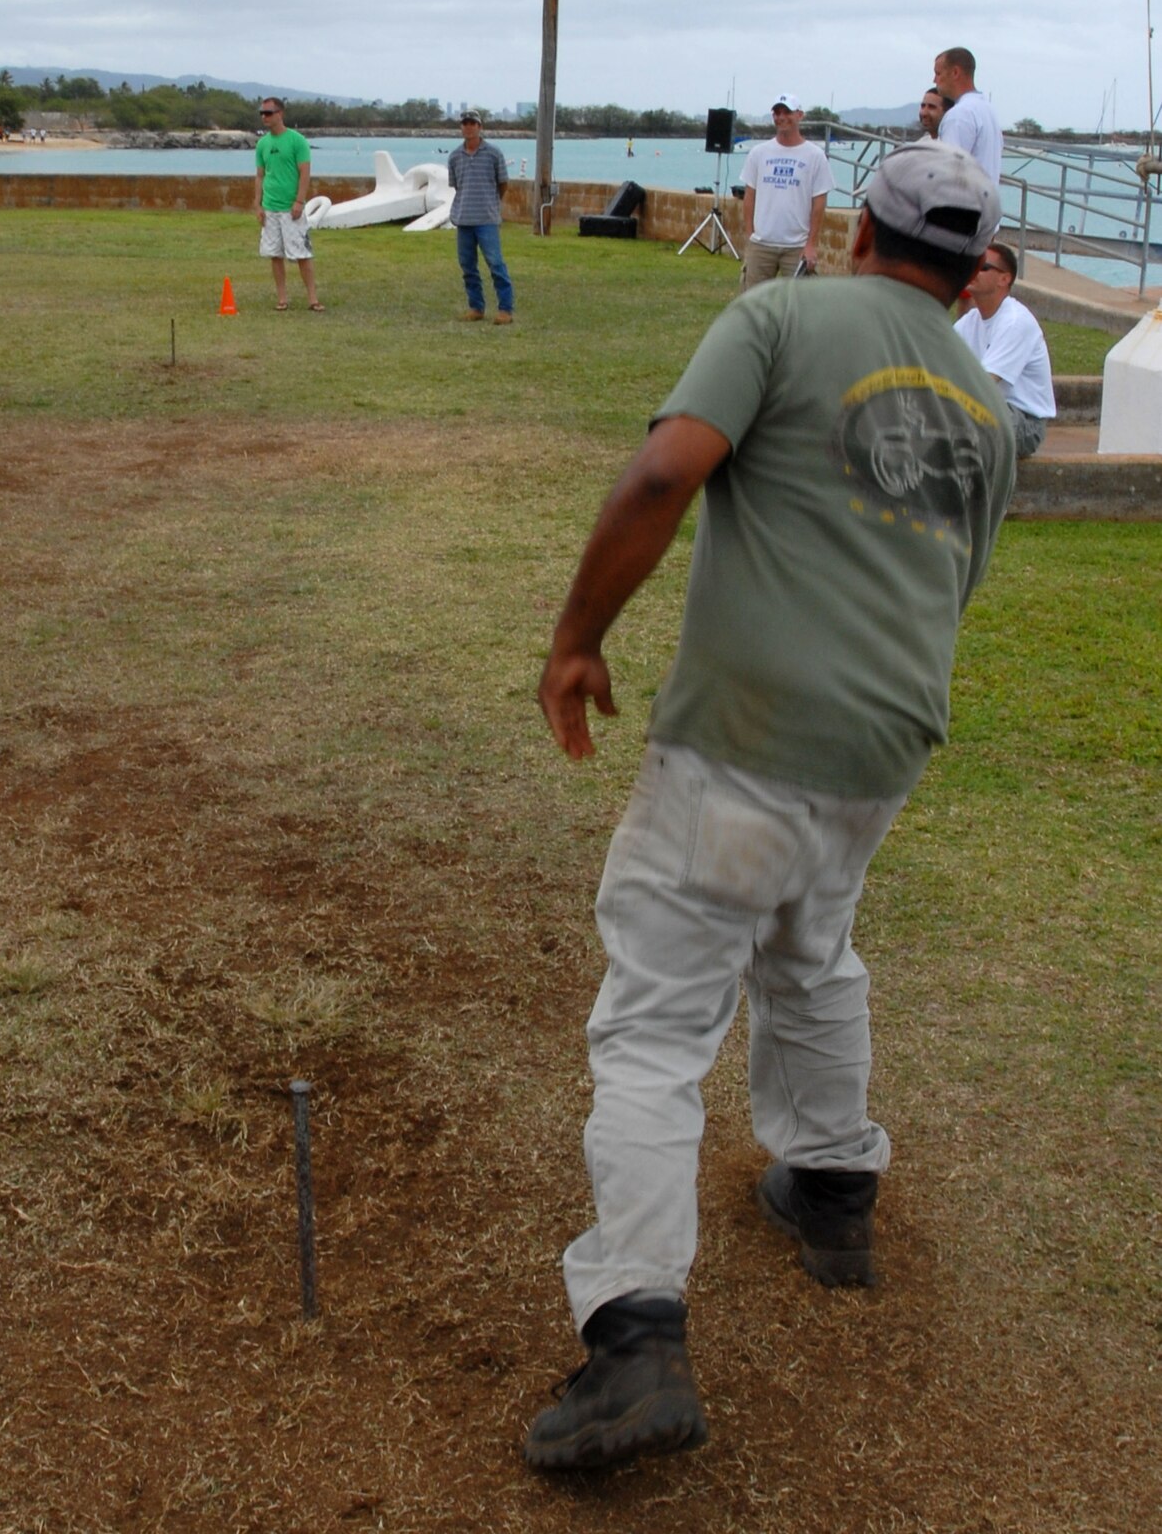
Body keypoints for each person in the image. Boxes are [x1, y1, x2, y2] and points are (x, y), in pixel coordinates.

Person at [526, 141, 1016, 1475]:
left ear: (859, 226)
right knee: (809, 948)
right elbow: (948, 589)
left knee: (653, 1022)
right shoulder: (984, 395)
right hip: (883, 739)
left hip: (745, 737)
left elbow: (659, 473)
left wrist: (575, 639)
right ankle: (829, 1183)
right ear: (972, 259)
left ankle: (631, 1335)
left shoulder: (782, 311)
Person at [954, 241, 1055, 457]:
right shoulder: (970, 321)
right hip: (989, 410)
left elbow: (983, 384)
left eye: (983, 267)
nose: (973, 270)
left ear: (1004, 278)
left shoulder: (1015, 322)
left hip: (1023, 423)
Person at [739, 95, 833, 289]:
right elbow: (750, 196)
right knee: (754, 304)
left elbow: (819, 202)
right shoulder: (759, 153)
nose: (781, 117)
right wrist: (750, 236)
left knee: (801, 305)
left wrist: (811, 244)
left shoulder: (815, 156)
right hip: (762, 244)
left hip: (797, 246)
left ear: (799, 115)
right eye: (777, 112)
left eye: (787, 112)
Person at [254, 98, 323, 311]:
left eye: (269, 113)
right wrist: (258, 204)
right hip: (270, 206)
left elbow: (305, 172)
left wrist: (299, 201)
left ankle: (313, 299)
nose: (265, 117)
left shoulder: (297, 141)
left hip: (291, 207)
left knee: (301, 253)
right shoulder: (262, 144)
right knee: (275, 254)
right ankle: (282, 299)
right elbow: (260, 175)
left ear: (280, 114)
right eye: (262, 113)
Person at [448, 110, 513, 324]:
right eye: (465, 123)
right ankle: (476, 307)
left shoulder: (494, 154)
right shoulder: (455, 156)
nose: (468, 127)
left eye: (472, 123)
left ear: (480, 127)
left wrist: (492, 204)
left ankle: (505, 309)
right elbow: (457, 185)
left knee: (496, 264)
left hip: (487, 220)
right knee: (468, 266)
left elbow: (502, 183)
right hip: (464, 219)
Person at [935, 48, 1003, 184]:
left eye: (938, 73)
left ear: (955, 72)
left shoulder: (959, 115)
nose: (934, 80)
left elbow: (948, 172)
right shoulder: (988, 110)